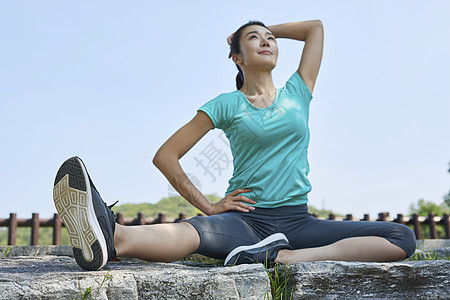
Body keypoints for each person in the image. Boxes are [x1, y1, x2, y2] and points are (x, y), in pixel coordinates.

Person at [53, 20, 417, 271]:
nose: (266, 42)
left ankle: (282, 258)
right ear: (237, 58)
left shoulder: (298, 92)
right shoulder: (228, 103)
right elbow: (165, 156)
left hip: (297, 222)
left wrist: (262, 28)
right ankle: (110, 236)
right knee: (189, 233)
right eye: (254, 39)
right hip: (247, 220)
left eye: (269, 38)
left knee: (400, 237)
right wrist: (210, 206)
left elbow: (314, 29)